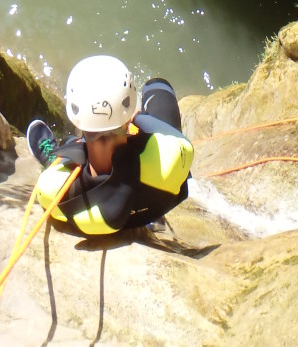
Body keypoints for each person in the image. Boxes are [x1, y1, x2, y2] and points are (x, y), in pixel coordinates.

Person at [27, 55, 194, 236]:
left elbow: (48, 191)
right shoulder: (172, 157)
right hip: (153, 202)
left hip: (106, 210)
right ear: (129, 113)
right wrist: (137, 118)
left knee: (71, 146)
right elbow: (179, 140)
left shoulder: (54, 192)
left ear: (77, 120)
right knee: (158, 86)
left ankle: (53, 156)